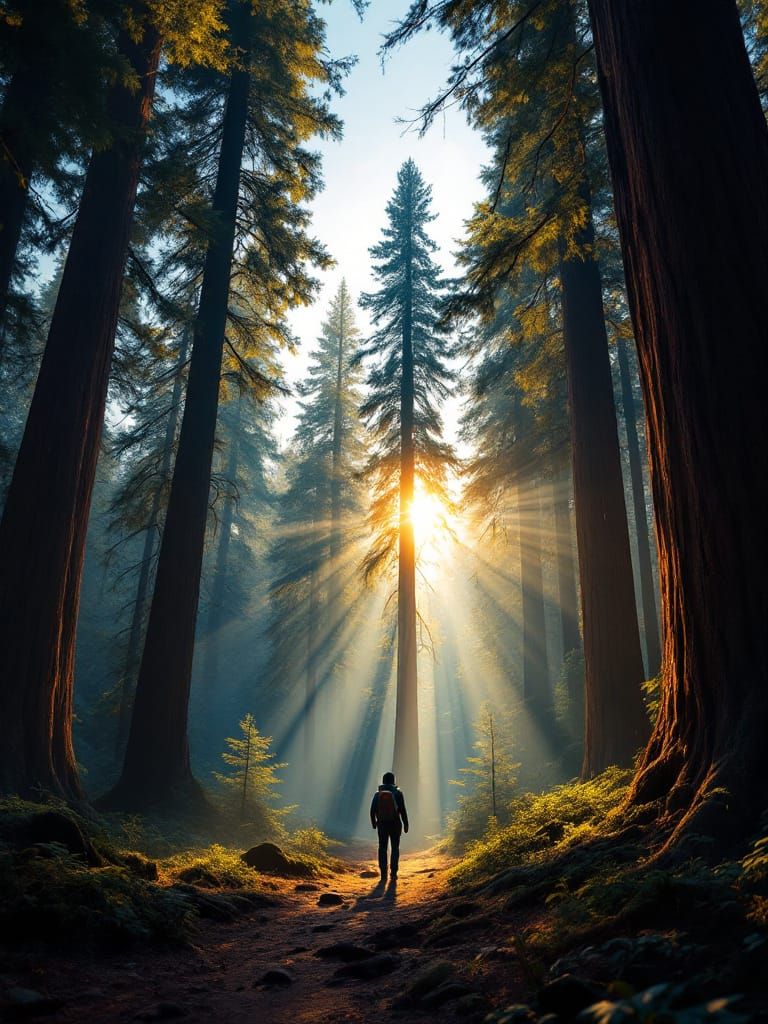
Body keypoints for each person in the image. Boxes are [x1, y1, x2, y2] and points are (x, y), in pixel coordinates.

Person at [370, 771, 409, 882]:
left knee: (382, 848)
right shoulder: (398, 793)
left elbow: (372, 810)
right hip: (395, 823)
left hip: (382, 824)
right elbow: (402, 809)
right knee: (395, 848)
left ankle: (383, 874)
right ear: (393, 781)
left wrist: (374, 823)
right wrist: (406, 824)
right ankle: (393, 873)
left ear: (383, 781)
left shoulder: (378, 794)